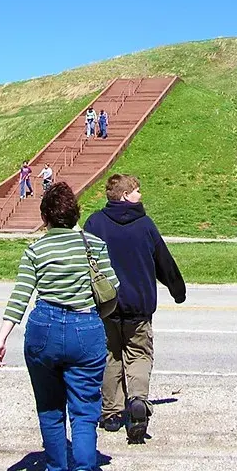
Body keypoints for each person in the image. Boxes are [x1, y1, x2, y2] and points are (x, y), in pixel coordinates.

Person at [0, 182, 119, 471]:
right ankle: (85, 466)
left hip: (44, 327)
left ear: (44, 217)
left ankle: (56, 466)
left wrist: (2, 338)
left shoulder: (35, 249)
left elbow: (20, 297)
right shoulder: (94, 245)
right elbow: (113, 286)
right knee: (85, 410)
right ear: (75, 215)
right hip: (85, 327)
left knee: (50, 409)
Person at [83, 174, 186, 443]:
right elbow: (164, 262)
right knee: (139, 355)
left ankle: (111, 413)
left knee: (110, 356)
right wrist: (177, 290)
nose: (141, 195)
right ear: (125, 196)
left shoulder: (95, 223)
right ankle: (137, 400)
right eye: (137, 190)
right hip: (139, 307)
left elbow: (86, 261)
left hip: (106, 305)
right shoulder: (144, 225)